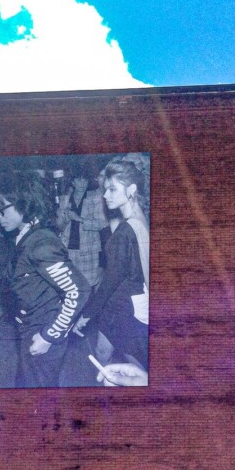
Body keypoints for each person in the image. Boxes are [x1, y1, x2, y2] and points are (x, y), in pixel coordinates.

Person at [0, 171, 91, 388]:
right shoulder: (24, 235)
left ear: (24, 203)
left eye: (3, 208)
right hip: (28, 329)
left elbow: (79, 291)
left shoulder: (41, 243)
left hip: (40, 334)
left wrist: (49, 337)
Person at [73, 159, 149, 375]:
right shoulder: (139, 220)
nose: (106, 195)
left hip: (122, 307)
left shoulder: (125, 231)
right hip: (130, 301)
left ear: (131, 190)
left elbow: (110, 282)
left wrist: (86, 315)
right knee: (104, 353)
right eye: (105, 189)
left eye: (113, 189)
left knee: (133, 365)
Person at [56, 164, 107, 289]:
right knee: (70, 287)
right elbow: (59, 227)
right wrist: (66, 219)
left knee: (88, 287)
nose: (82, 183)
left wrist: (78, 218)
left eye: (84, 179)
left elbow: (102, 224)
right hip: (68, 250)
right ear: (73, 182)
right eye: (78, 180)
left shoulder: (95, 197)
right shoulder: (65, 199)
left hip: (88, 251)